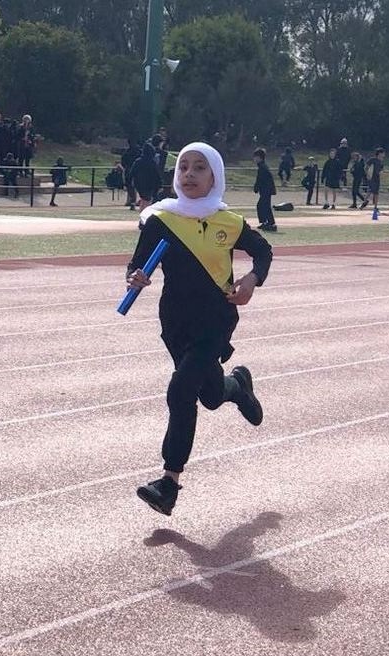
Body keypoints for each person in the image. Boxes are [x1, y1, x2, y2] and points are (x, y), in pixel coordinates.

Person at [126, 142, 273, 515]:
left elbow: (264, 252)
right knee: (209, 395)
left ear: (215, 177)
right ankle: (236, 386)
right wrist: (136, 276)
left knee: (181, 391)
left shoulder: (229, 222)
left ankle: (169, 482)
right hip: (175, 323)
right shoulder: (159, 219)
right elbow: (137, 264)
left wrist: (251, 280)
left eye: (199, 168)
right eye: (183, 167)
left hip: (216, 320)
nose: (189, 174)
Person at [129, 142, 162, 213]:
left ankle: (142, 213)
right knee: (147, 200)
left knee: (144, 199)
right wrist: (159, 184)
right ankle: (144, 214)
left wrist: (130, 181)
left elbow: (132, 172)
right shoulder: (152, 162)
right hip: (149, 184)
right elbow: (157, 174)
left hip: (139, 183)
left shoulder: (138, 161)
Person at [253, 147, 277, 231]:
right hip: (265, 190)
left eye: (255, 157)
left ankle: (271, 224)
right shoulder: (262, 166)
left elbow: (260, 179)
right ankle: (266, 222)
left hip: (266, 190)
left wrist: (256, 187)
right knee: (263, 206)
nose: (254, 159)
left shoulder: (263, 167)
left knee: (264, 206)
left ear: (259, 157)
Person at [360, 147, 386, 216]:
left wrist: (381, 172)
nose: (384, 154)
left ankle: (373, 206)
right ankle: (365, 202)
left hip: (377, 178)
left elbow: (381, 169)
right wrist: (367, 174)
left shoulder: (381, 161)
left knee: (375, 192)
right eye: (383, 153)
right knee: (371, 190)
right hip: (371, 178)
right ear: (379, 153)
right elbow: (366, 167)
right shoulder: (372, 159)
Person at [121, 139, 141, 210]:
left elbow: (123, 162)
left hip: (130, 170)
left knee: (130, 187)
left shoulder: (127, 152)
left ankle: (133, 201)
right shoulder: (139, 151)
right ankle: (133, 201)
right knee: (133, 186)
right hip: (136, 171)